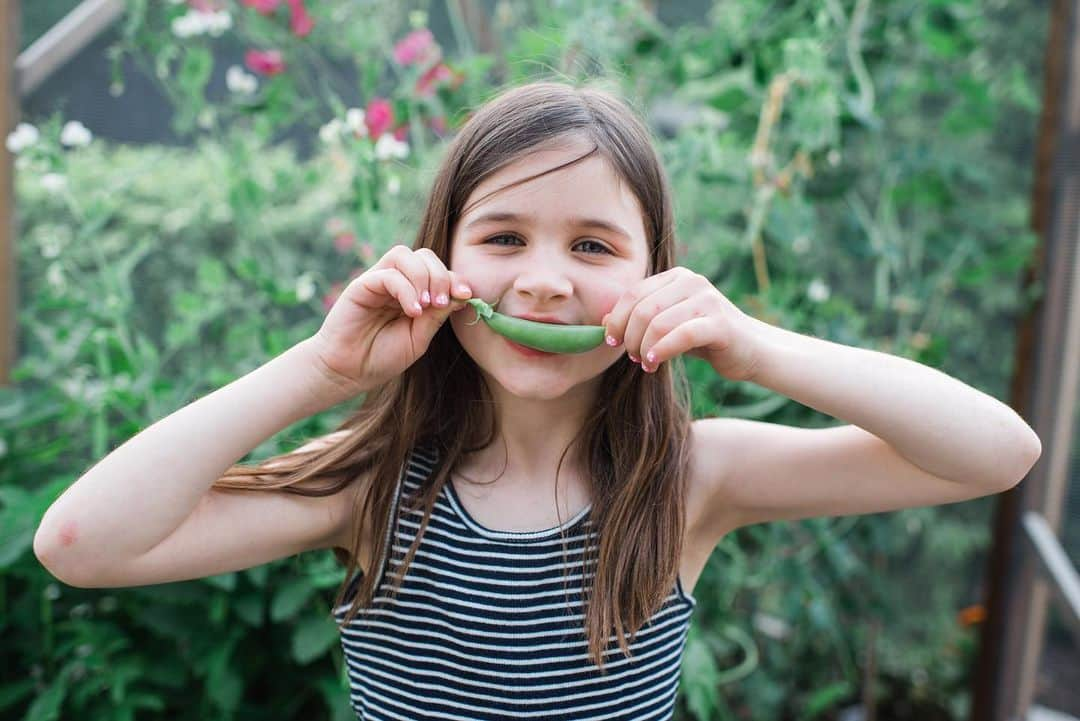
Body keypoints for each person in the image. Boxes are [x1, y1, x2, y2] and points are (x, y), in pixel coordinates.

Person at [33, 80, 1042, 720]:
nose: (546, 281)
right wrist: (321, 372)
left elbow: (997, 452)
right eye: (505, 238)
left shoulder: (697, 477)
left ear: (657, 276)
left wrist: (754, 347)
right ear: (441, 256)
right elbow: (81, 544)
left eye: (593, 246)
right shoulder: (375, 485)